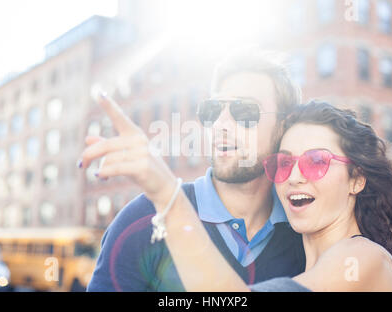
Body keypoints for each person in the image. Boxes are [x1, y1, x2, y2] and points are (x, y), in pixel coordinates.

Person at [83, 96, 392, 291]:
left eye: (316, 162)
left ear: (357, 179)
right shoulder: (303, 267)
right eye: (283, 163)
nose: (293, 176)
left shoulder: (362, 258)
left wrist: (167, 195)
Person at [85, 48, 305, 291]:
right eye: (213, 111)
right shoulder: (144, 219)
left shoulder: (304, 231)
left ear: (284, 125)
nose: (221, 124)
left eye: (244, 111)